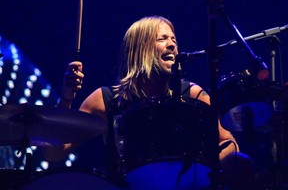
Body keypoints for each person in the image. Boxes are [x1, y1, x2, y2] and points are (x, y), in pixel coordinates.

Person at [45, 15, 254, 189]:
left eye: (174, 39)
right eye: (162, 39)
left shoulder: (191, 94)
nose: (172, 44)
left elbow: (229, 143)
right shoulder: (106, 99)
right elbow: (54, 153)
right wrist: (67, 97)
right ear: (140, 49)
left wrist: (208, 171)